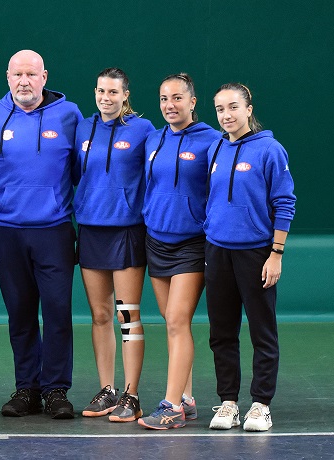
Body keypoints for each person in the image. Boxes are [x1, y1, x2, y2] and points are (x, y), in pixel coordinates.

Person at [0, 50, 82, 419]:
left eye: (31, 74)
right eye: (17, 74)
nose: (24, 81)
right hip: (5, 232)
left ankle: (55, 390)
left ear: (44, 77)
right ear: (7, 77)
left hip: (54, 232)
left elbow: (81, 170)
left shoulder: (69, 115)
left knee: (57, 312)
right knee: (20, 314)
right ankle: (26, 388)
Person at [205, 83, 295, 432]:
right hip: (217, 251)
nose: (226, 115)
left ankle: (260, 404)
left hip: (257, 253)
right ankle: (228, 403)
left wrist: (276, 253)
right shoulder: (215, 147)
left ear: (248, 108)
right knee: (221, 332)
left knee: (262, 331)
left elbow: (285, 202)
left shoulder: (270, 150)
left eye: (233, 107)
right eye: (220, 109)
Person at [136, 73, 222, 430]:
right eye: (163, 99)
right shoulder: (153, 139)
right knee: (172, 325)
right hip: (156, 240)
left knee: (176, 321)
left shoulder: (212, 141)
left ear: (192, 102)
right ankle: (186, 398)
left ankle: (170, 407)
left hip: (192, 244)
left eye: (176, 99)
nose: (169, 105)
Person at [73, 68, 155, 422]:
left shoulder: (144, 130)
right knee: (100, 315)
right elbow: (79, 174)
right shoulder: (83, 128)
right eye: (101, 91)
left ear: (126, 95)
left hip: (126, 233)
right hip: (91, 231)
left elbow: (156, 176)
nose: (106, 98)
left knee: (126, 316)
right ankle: (107, 389)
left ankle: (131, 394)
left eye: (113, 92)